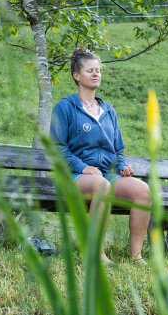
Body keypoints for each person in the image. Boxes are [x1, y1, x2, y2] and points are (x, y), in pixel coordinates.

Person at [50, 48, 150, 264]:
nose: (96, 74)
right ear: (77, 76)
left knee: (142, 190)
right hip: (72, 176)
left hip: (105, 175)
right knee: (100, 185)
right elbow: (57, 148)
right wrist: (82, 167)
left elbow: (118, 149)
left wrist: (122, 166)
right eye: (90, 70)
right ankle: (95, 253)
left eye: (98, 70)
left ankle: (135, 256)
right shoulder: (65, 108)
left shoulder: (108, 110)